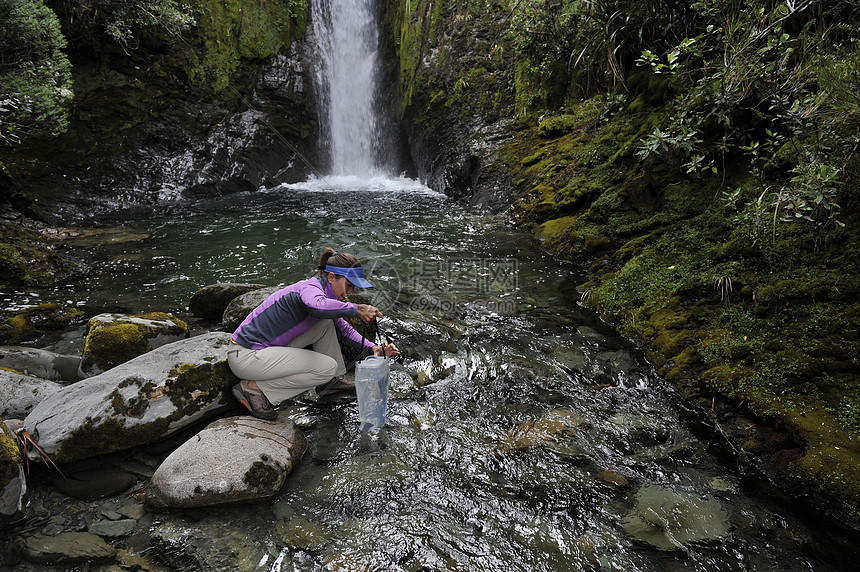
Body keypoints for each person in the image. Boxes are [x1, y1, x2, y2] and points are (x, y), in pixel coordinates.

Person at [227, 247, 400, 420]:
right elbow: (315, 305)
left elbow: (344, 331)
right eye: (349, 285)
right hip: (245, 356)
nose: (351, 293)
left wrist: (374, 348)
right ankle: (253, 388)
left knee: (325, 324)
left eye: (354, 287)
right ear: (331, 277)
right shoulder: (309, 288)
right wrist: (356, 309)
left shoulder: (327, 298)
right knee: (327, 367)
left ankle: (330, 382)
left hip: (265, 351)